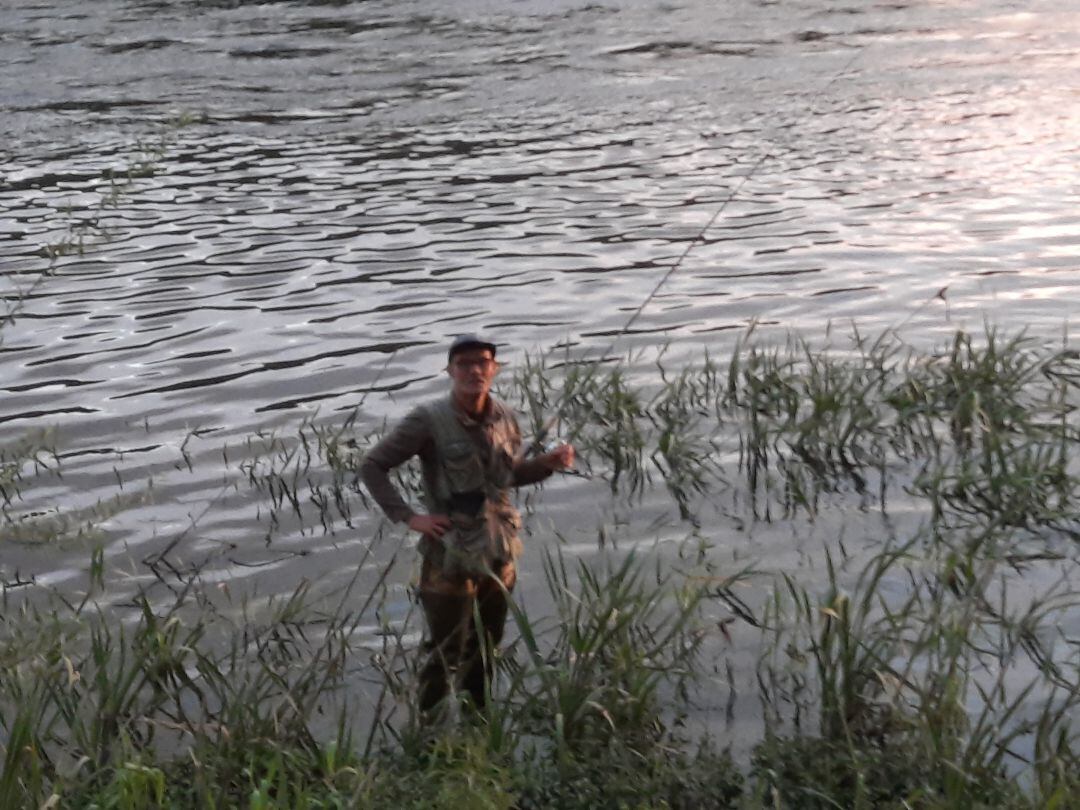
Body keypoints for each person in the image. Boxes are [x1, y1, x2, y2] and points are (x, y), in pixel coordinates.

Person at [359, 334, 574, 717]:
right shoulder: (428, 419)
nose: (475, 370)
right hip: (450, 554)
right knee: (444, 652)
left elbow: (507, 479)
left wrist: (547, 464)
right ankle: (429, 736)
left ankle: (479, 723)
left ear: (494, 369)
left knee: (487, 645)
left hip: (499, 552)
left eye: (483, 362)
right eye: (464, 364)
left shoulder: (505, 415)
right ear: (450, 371)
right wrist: (410, 517)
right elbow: (372, 466)